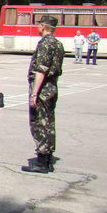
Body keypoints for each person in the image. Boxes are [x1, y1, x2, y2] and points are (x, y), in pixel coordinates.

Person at [21, 15, 65, 174]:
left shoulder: (45, 44)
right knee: (49, 122)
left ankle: (42, 160)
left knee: (39, 123)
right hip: (52, 87)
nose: (37, 27)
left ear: (44, 26)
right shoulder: (58, 44)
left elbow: (41, 70)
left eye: (39, 24)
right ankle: (47, 158)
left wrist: (34, 93)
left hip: (43, 89)